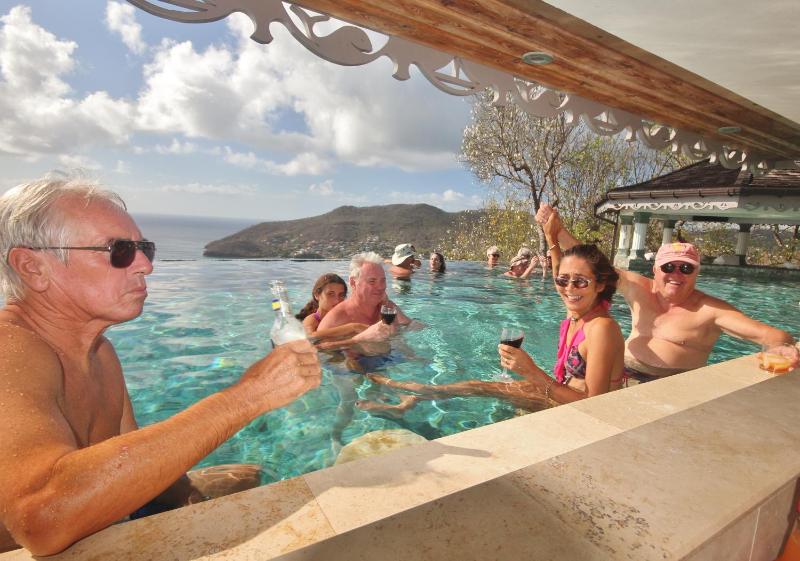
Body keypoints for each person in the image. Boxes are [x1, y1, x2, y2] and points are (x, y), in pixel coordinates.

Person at [0, 177, 321, 555]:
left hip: (109, 523)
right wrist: (248, 396)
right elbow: (40, 518)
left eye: (144, 248)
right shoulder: (10, 348)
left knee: (248, 479)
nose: (145, 266)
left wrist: (197, 504)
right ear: (33, 267)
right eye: (119, 250)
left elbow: (138, 466)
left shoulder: (100, 353)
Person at [538, 205, 796, 382]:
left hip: (667, 386)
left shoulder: (710, 311)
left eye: (686, 268)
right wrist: (557, 231)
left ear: (696, 273)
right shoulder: (639, 288)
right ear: (655, 270)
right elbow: (594, 264)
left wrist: (783, 349)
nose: (676, 274)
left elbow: (773, 335)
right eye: (668, 267)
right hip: (620, 375)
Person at [360, 242, 626, 413]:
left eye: (580, 282)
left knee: (480, 388)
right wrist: (551, 233)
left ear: (600, 284)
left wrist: (531, 371)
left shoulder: (601, 328)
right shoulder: (579, 315)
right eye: (562, 280)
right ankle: (413, 398)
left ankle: (408, 392)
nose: (568, 289)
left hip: (572, 408)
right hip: (560, 392)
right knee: (477, 386)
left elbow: (594, 406)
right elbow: (562, 271)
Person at [317, 252, 412, 342]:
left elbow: (413, 327)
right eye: (372, 281)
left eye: (383, 281)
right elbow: (317, 349)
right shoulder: (336, 318)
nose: (380, 287)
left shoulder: (388, 308)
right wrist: (359, 339)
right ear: (353, 282)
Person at [295, 273, 368, 339]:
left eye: (341, 295)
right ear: (317, 295)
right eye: (330, 294)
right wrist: (353, 327)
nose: (337, 300)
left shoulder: (345, 319)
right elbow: (310, 337)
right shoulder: (313, 319)